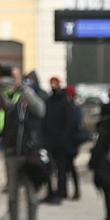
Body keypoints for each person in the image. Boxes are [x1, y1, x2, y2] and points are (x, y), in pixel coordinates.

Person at [0, 66, 46, 220]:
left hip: (29, 155)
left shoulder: (35, 101)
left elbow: (41, 110)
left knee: (32, 195)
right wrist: (3, 85)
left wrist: (27, 92)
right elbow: (2, 104)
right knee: (12, 195)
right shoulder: (13, 103)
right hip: (12, 153)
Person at [41, 76, 74, 204]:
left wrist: (64, 139)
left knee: (61, 170)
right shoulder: (48, 102)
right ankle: (50, 192)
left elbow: (68, 123)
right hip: (49, 142)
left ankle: (60, 193)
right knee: (49, 169)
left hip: (61, 143)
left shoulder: (65, 103)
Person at [64, 85, 87, 200]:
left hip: (71, 142)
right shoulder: (72, 108)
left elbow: (74, 124)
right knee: (67, 166)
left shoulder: (74, 109)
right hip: (68, 141)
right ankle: (68, 189)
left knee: (69, 166)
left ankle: (75, 189)